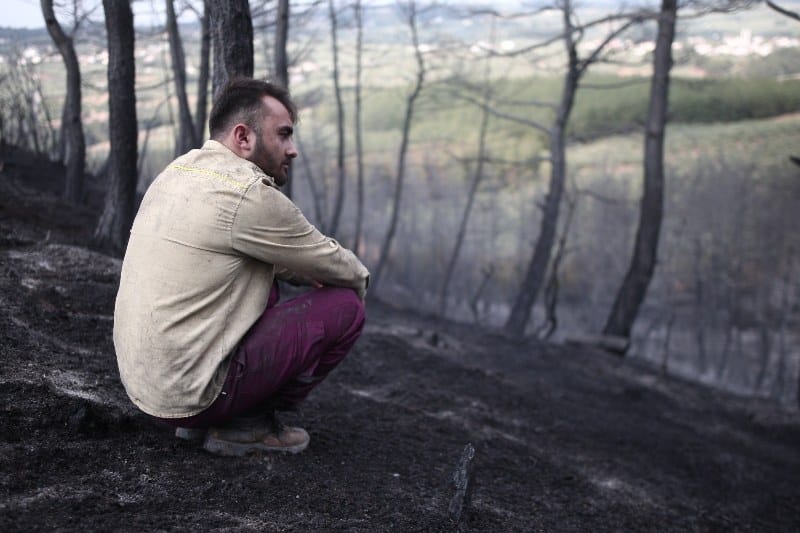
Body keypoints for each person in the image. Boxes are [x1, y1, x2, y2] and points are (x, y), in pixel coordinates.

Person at [113, 78, 369, 456]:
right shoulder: (249, 194)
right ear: (243, 137)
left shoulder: (177, 171)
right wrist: (354, 282)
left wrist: (298, 271)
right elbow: (345, 269)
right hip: (191, 393)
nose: (292, 150)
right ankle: (247, 424)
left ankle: (207, 421)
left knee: (265, 281)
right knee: (345, 307)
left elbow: (244, 252)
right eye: (283, 135)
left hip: (148, 387)